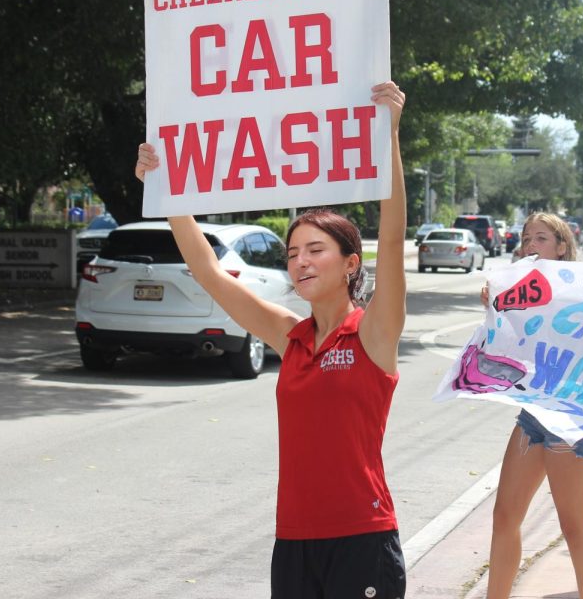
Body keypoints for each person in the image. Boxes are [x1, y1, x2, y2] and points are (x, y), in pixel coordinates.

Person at [135, 82, 408, 599]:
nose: (300, 261)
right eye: (292, 253)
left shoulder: (373, 332)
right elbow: (212, 275)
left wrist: (388, 135)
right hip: (295, 540)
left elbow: (391, 239)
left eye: (315, 250)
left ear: (351, 263)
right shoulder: (292, 337)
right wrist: (167, 192)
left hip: (362, 538)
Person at [484, 212, 583, 599]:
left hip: (571, 420)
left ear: (562, 246)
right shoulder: (520, 289)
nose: (530, 245)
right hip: (534, 415)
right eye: (525, 237)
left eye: (540, 238)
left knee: (574, 527)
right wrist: (494, 307)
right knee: (504, 517)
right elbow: (507, 346)